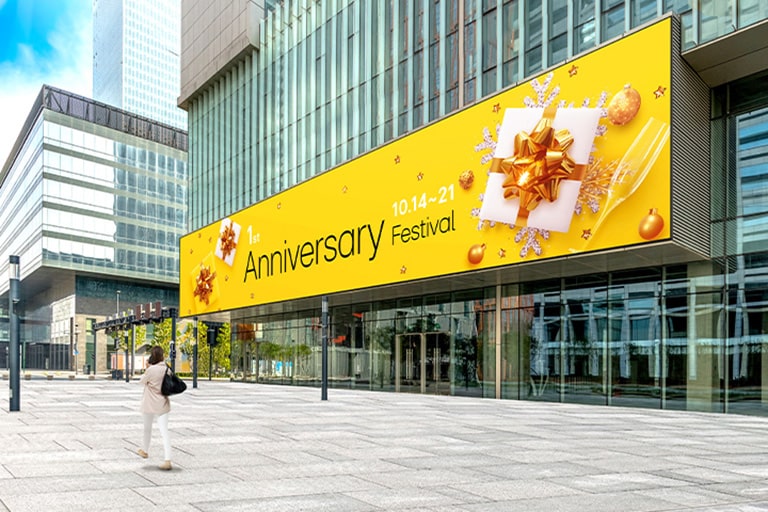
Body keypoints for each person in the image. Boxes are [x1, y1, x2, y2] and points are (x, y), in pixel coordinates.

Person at [138, 345, 173, 470]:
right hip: (163, 404)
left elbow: (141, 381)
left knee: (147, 429)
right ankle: (167, 459)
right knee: (164, 431)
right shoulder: (167, 369)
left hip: (150, 404)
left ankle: (145, 450)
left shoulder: (151, 370)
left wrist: (147, 368)